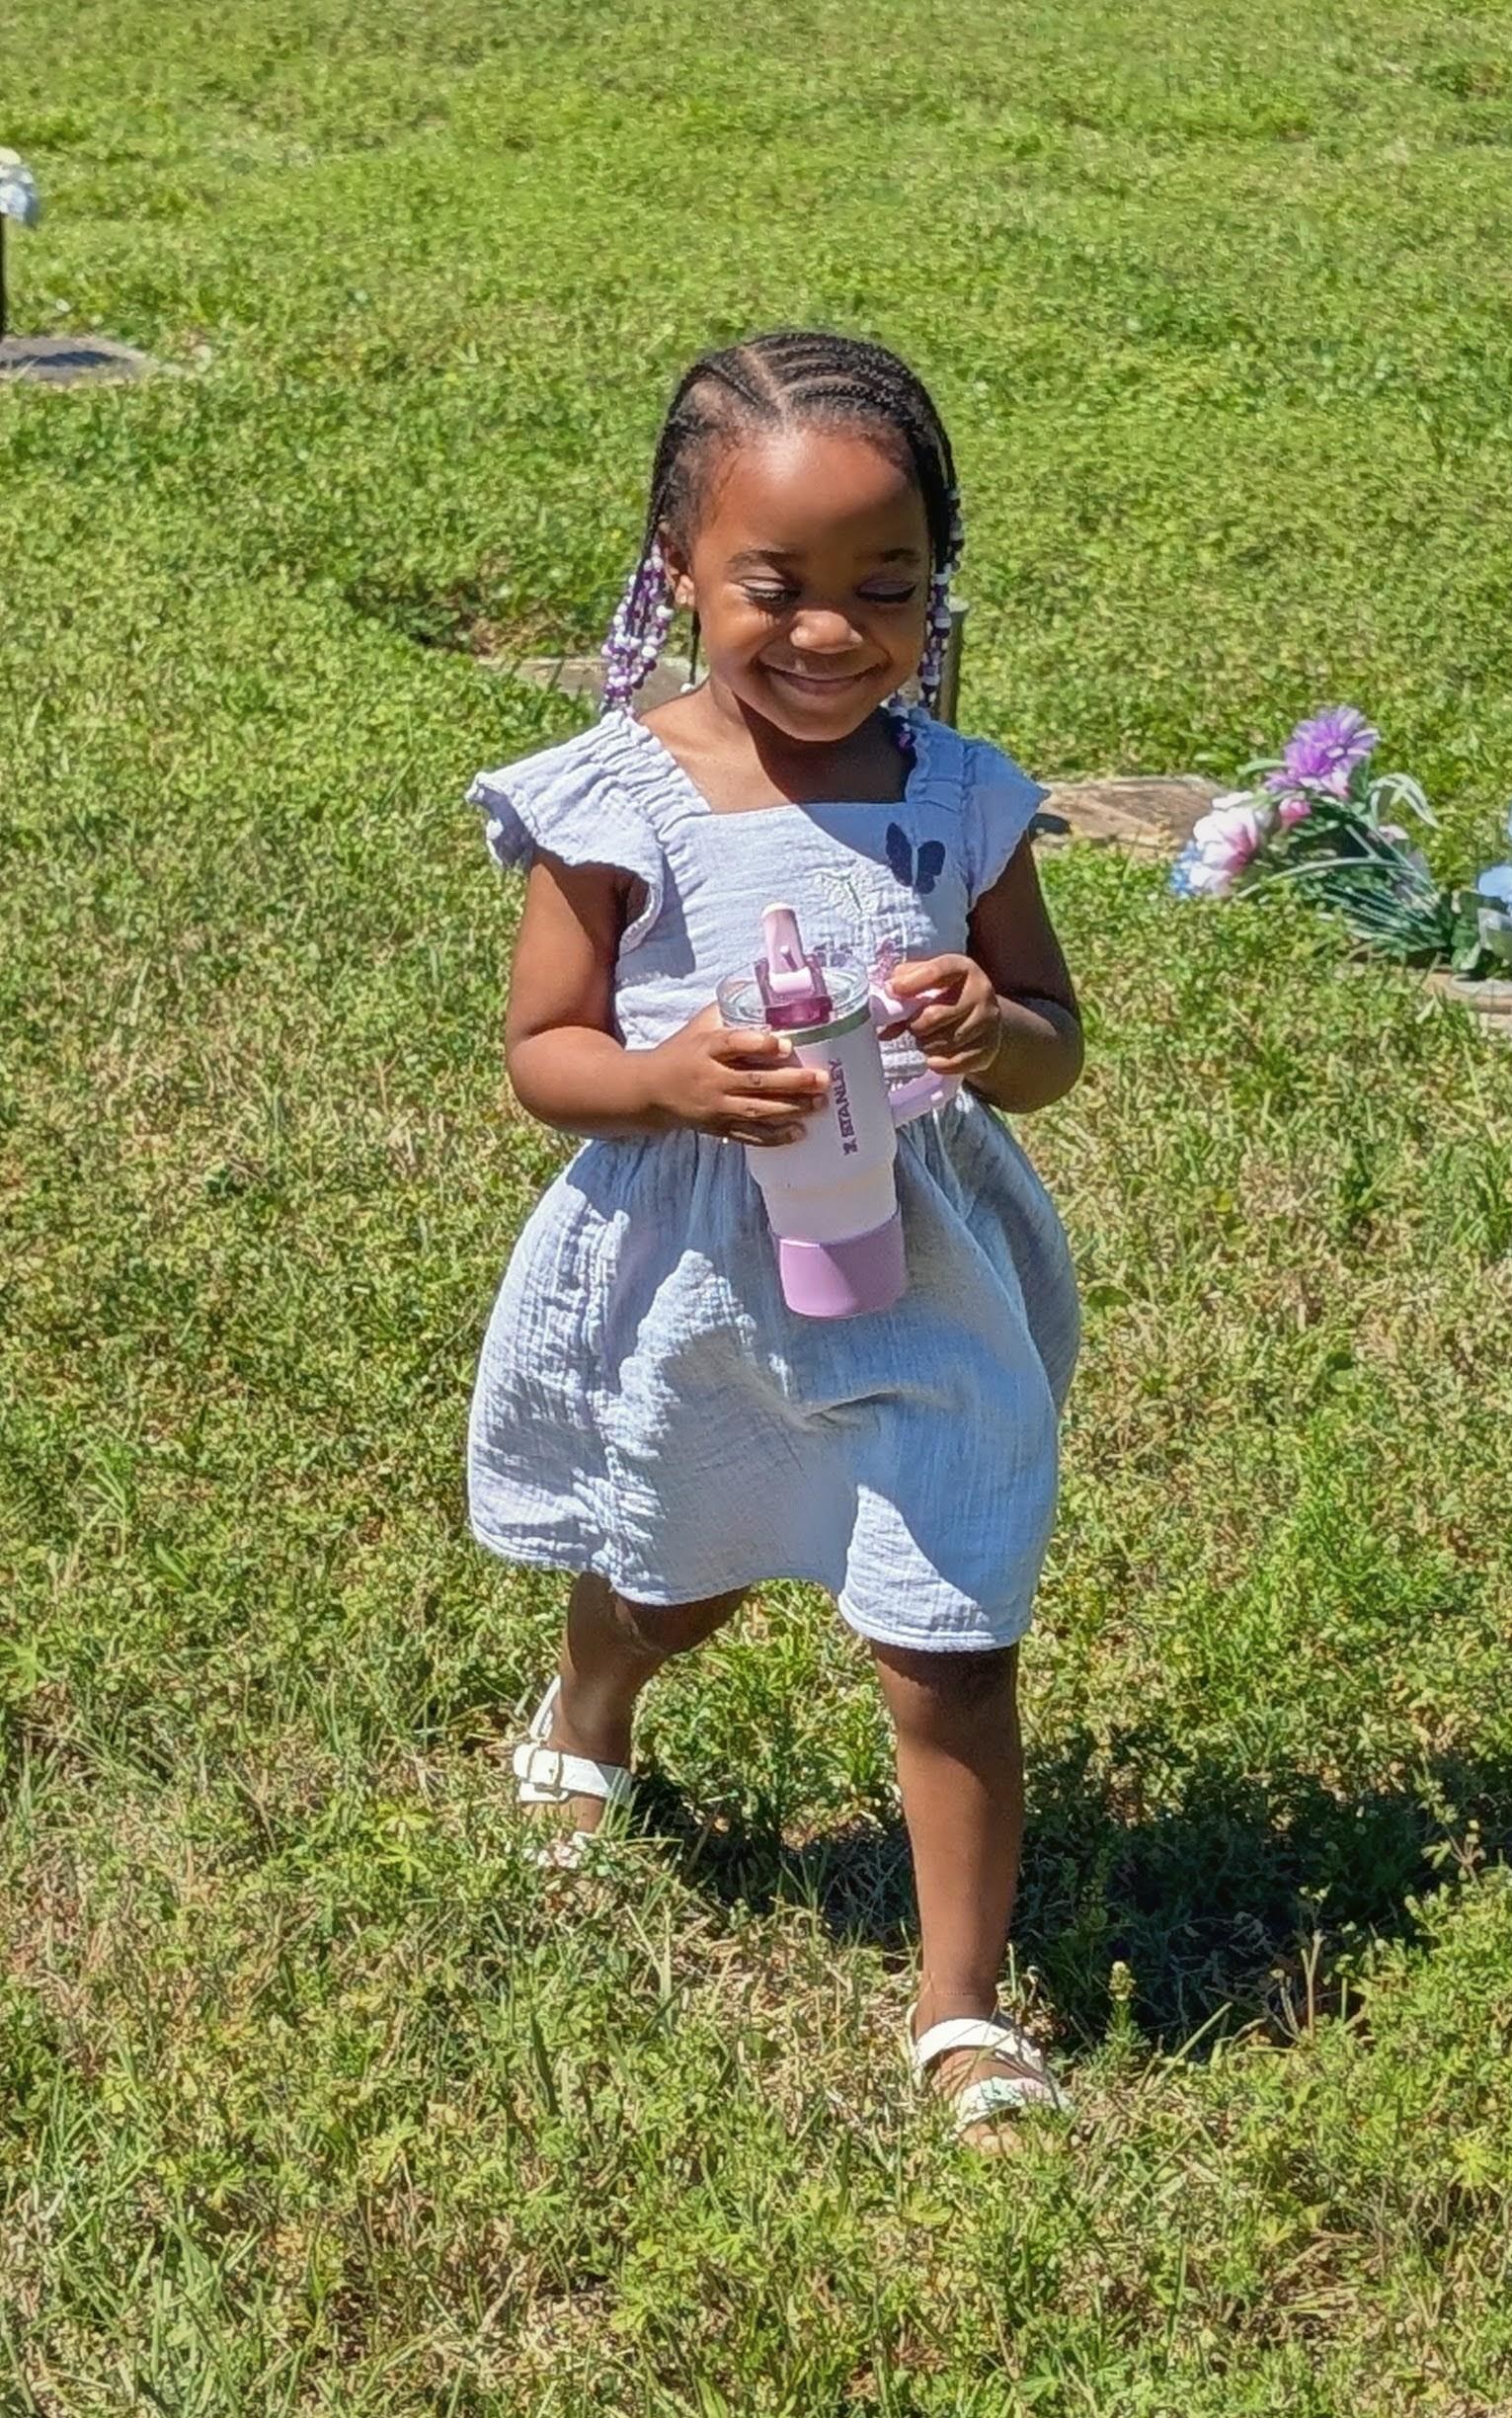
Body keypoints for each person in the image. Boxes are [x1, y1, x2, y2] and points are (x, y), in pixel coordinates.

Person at [466, 331, 1082, 2143]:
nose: (832, 631)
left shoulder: (963, 796)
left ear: (936, 583)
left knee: (951, 1633)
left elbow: (1055, 1042)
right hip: (701, 1278)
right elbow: (544, 1054)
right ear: (678, 571)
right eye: (775, 585)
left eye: (884, 586)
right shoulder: (616, 795)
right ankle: (589, 1709)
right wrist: (663, 1077)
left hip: (923, 1269)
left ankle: (961, 2012)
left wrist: (991, 1025)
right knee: (681, 1575)